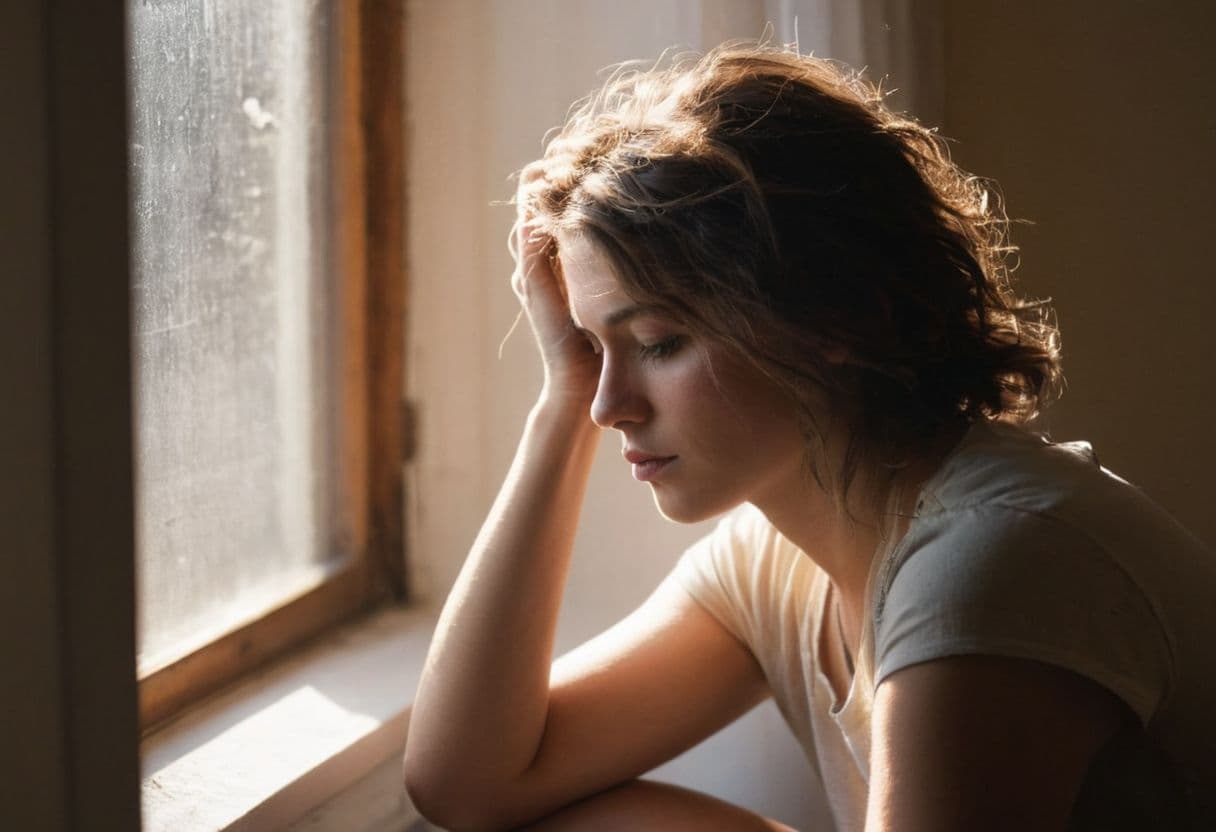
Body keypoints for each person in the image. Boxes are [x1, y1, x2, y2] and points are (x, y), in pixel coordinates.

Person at [403, 41, 1215, 831]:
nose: (609, 405)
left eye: (657, 342)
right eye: (591, 347)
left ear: (830, 314)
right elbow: (468, 786)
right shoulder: (778, 557)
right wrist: (560, 395)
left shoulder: (994, 564)